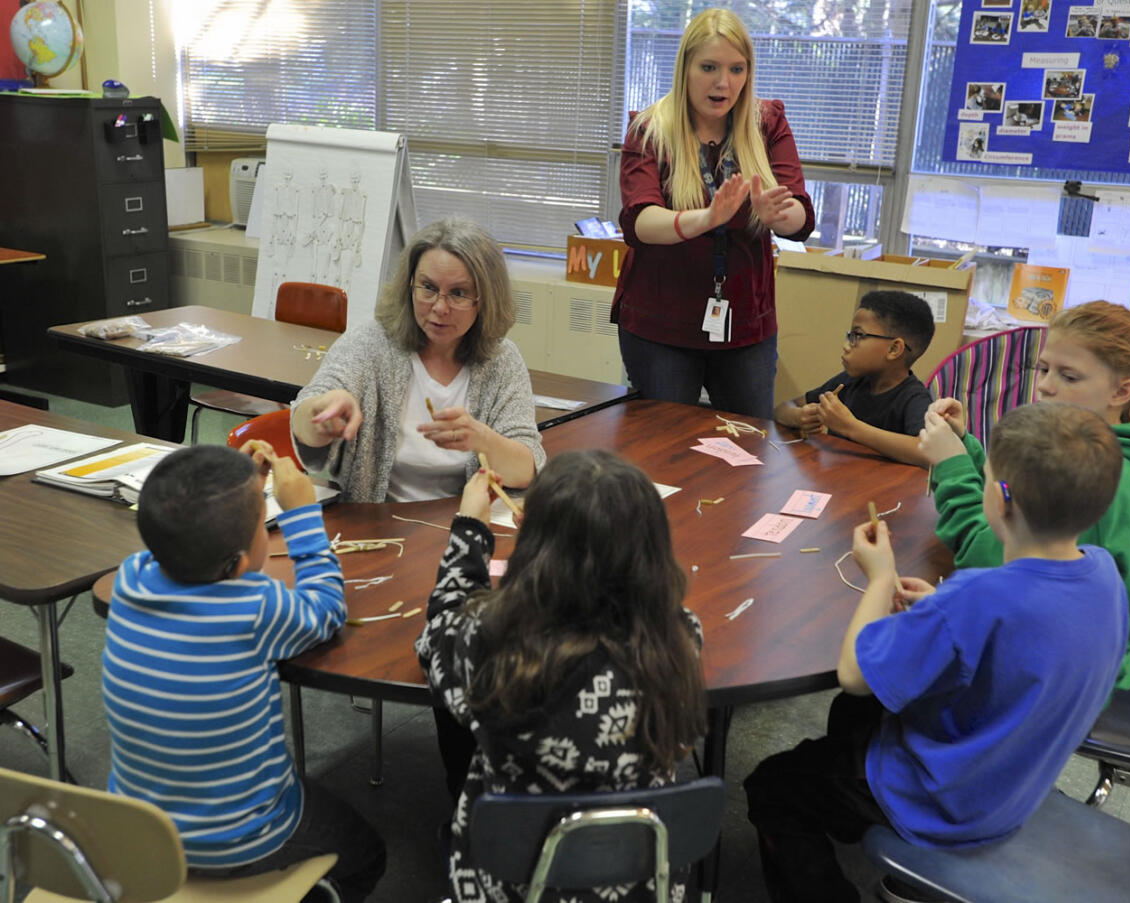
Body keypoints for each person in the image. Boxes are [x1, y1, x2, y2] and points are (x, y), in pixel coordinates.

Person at [745, 403, 1129, 903]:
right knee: (856, 716)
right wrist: (945, 610)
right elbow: (1020, 635)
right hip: (1014, 786)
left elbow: (854, 673)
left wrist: (881, 578)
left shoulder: (974, 598)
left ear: (999, 501)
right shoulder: (1103, 574)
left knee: (773, 786)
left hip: (942, 803)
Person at [415, 450, 707, 903]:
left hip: (511, 883)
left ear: (536, 544)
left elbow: (436, 635)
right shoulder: (680, 638)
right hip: (644, 883)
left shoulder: (494, 642)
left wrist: (471, 531)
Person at [102, 443, 386, 901]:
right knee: (367, 852)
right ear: (237, 565)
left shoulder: (131, 578)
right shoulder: (253, 607)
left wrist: (239, 492)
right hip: (240, 841)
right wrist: (301, 516)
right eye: (262, 522)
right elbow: (328, 609)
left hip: (141, 832)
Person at [921, 300, 1130, 689]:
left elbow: (984, 553)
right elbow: (1007, 493)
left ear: (1121, 391)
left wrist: (951, 468)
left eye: (1069, 376)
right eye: (1044, 369)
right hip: (1054, 654)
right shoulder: (1085, 453)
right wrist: (965, 448)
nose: (1047, 386)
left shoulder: (1101, 477)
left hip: (1048, 675)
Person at [612, 7, 815, 420]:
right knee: (665, 455)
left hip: (745, 329)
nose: (724, 83)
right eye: (709, 67)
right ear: (685, 67)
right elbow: (641, 221)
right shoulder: (650, 130)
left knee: (748, 450)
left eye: (737, 69)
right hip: (662, 327)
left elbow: (800, 218)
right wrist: (706, 218)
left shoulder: (767, 123)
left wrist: (776, 214)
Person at [292, 218, 545, 502]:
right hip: (376, 527)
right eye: (428, 287)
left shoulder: (502, 360)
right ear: (409, 285)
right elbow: (308, 415)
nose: (439, 307)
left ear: (485, 299)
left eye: (459, 293)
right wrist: (320, 416)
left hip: (466, 525)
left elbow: (526, 469)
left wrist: (483, 440)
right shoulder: (370, 343)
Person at [772, 291, 935, 466]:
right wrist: (799, 417)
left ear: (894, 349)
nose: (846, 346)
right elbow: (782, 409)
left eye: (858, 336)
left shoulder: (914, 398)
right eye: (850, 336)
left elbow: (927, 451)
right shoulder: (848, 382)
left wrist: (850, 427)